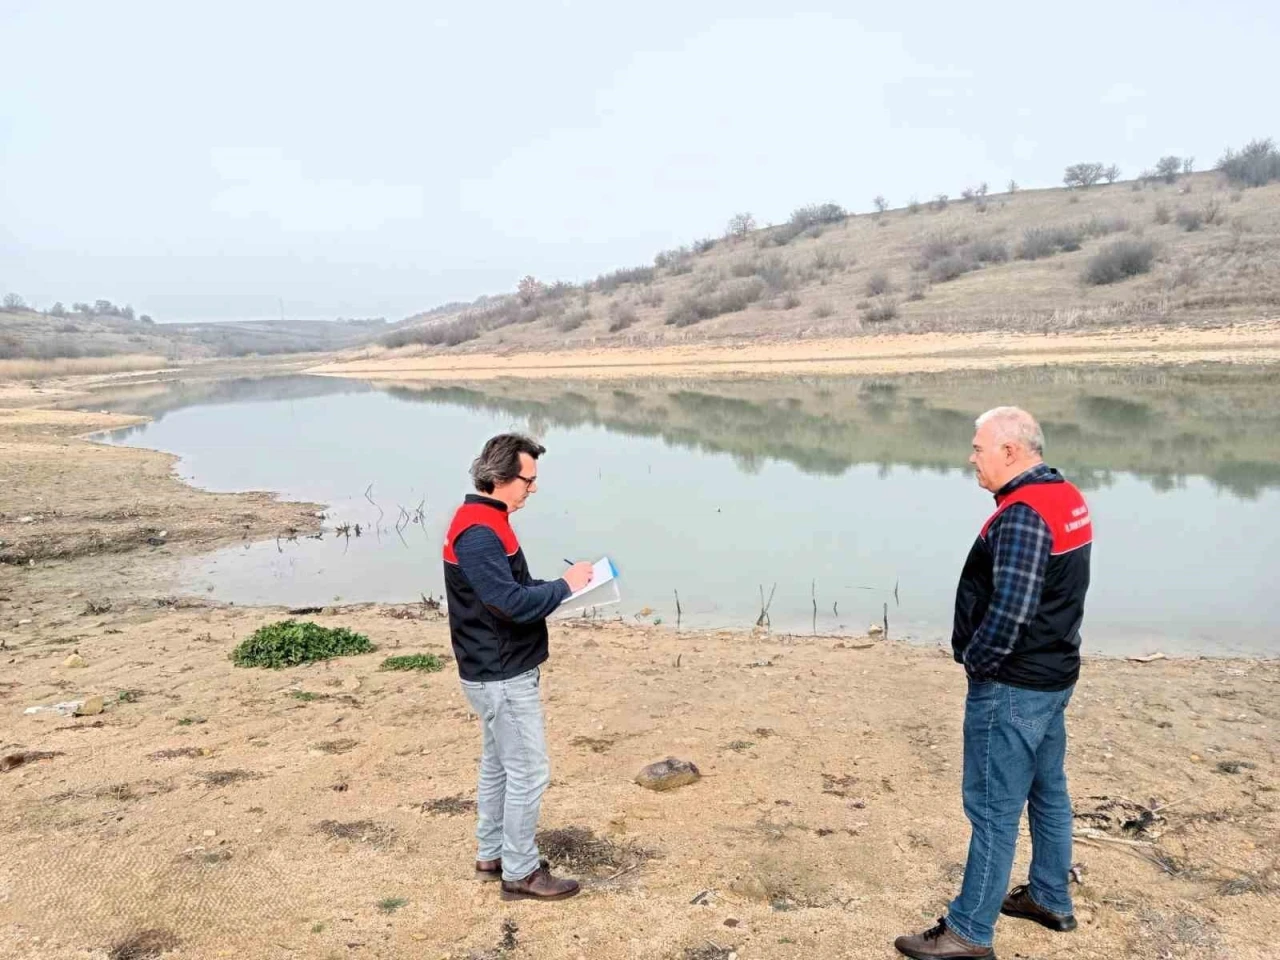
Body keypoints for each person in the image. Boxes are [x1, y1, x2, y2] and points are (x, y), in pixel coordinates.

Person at [895, 407, 1093, 959]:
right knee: (1047, 790)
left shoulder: (1025, 514)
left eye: (978, 449)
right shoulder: (1065, 496)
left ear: (1011, 451)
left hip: (1016, 683)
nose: (971, 458)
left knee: (991, 808)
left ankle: (968, 931)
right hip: (1053, 673)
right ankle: (1051, 898)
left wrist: (977, 661)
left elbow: (1013, 609)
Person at [442, 433, 594, 902]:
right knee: (529, 770)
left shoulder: (487, 520)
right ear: (501, 478)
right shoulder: (480, 532)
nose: (533, 489)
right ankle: (521, 871)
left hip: (496, 667)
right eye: (528, 480)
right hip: (500, 673)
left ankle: (493, 855)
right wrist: (566, 587)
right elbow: (507, 602)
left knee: (500, 765)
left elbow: (513, 589)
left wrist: (560, 587)